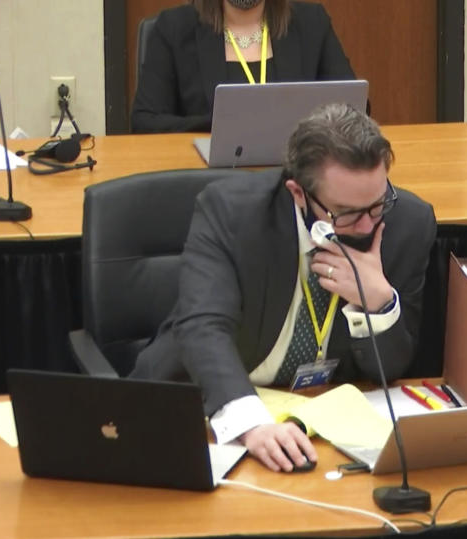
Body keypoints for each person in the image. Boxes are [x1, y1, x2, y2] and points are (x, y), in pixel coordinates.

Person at [131, 103, 437, 471]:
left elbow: (389, 369)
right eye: (347, 213)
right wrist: (252, 425)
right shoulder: (232, 214)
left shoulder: (407, 223)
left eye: (377, 204)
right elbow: (202, 327)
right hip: (209, 407)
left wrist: (378, 303)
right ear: (297, 193)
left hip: (316, 420)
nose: (367, 226)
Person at [131, 0, 356, 133]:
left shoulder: (311, 22)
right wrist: (224, 126)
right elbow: (145, 121)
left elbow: (354, 107)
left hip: (297, 176)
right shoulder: (174, 28)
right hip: (208, 180)